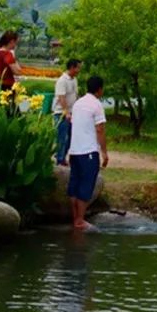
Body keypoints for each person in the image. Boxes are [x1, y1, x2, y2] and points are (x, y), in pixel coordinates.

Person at [67, 76, 108, 231]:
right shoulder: (96, 105)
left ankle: (75, 218)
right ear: (99, 89)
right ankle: (79, 221)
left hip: (75, 150)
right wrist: (104, 152)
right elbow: (100, 129)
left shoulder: (78, 103)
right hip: (88, 151)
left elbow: (72, 125)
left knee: (74, 184)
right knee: (86, 185)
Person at [52, 57, 81, 166]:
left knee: (70, 138)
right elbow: (61, 97)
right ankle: (60, 159)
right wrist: (66, 112)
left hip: (72, 113)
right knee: (62, 137)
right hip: (62, 114)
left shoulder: (74, 80)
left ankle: (62, 156)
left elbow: (75, 95)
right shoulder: (62, 81)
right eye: (78, 68)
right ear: (72, 68)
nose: (79, 70)